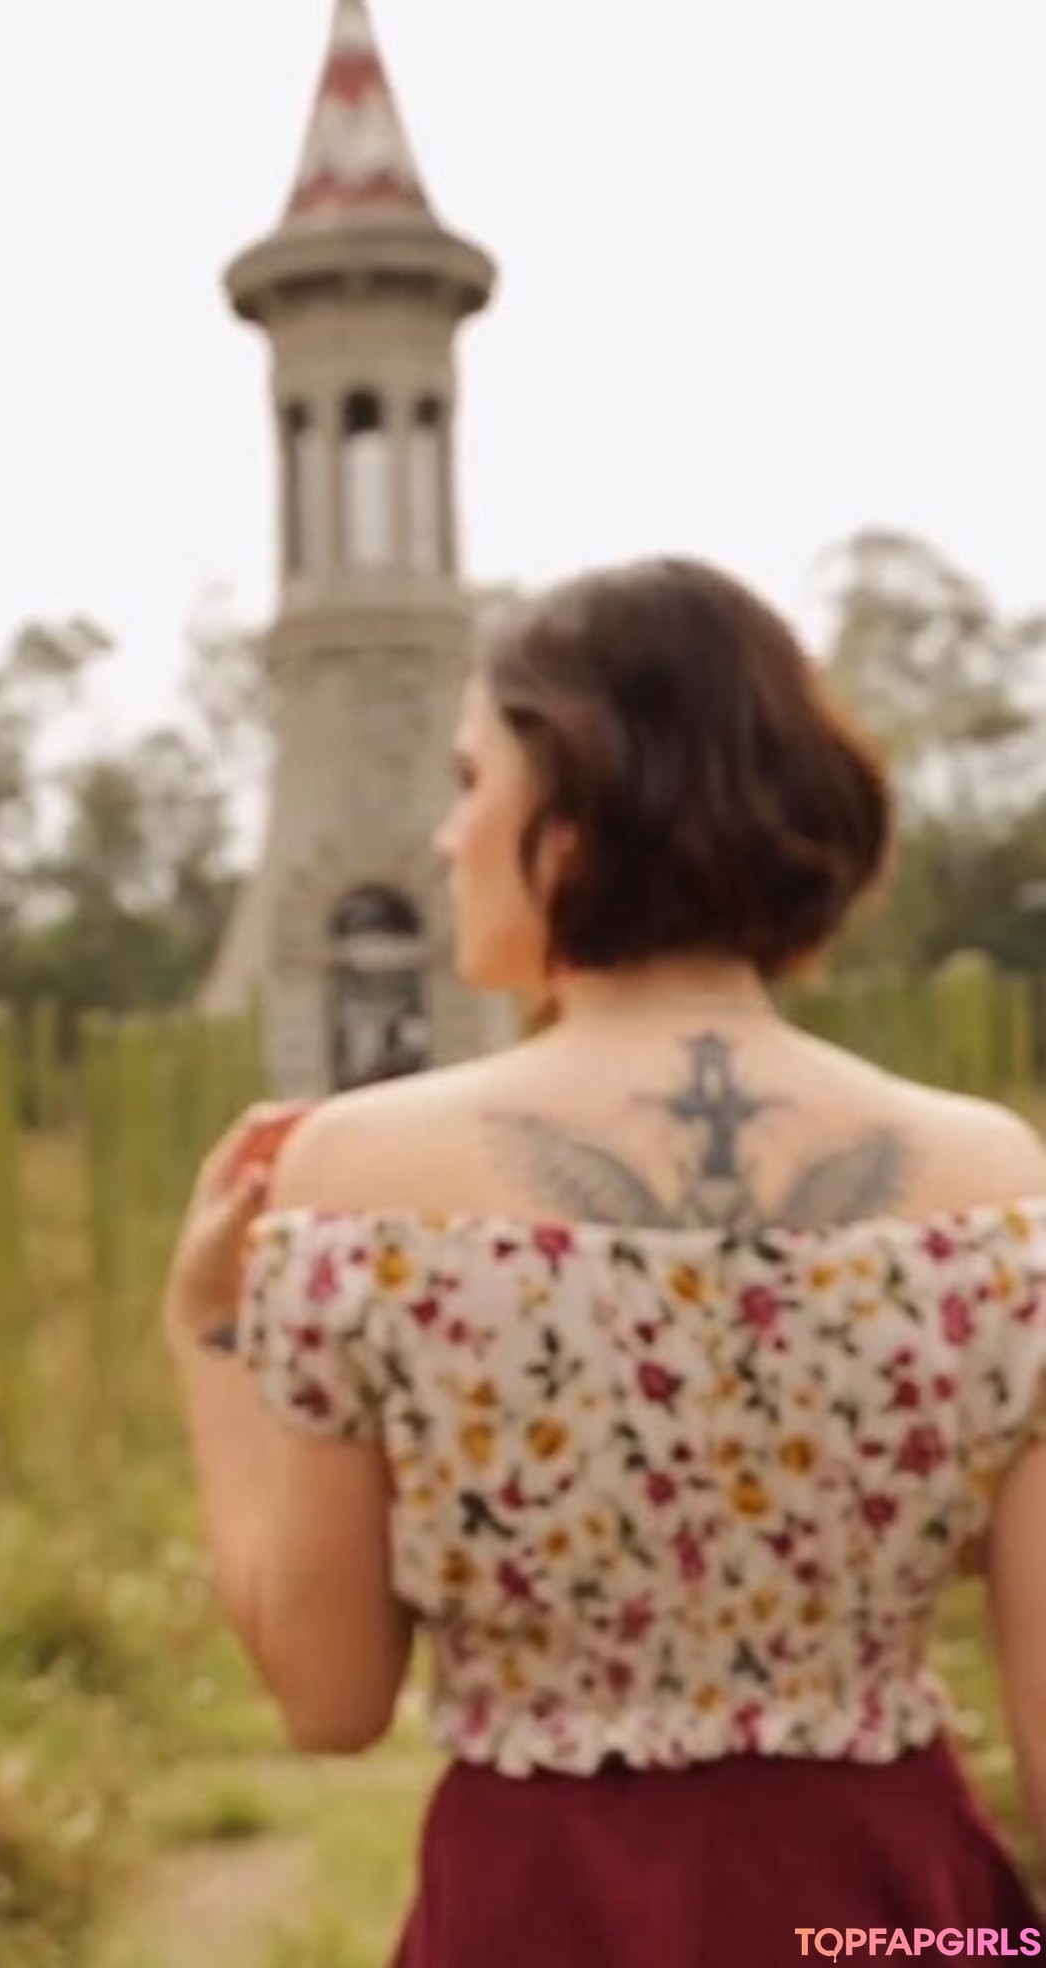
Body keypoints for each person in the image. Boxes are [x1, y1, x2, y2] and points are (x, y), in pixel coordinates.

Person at [164, 557, 1046, 1967]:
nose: (447, 836)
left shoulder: (359, 1184)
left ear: (573, 816)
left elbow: (330, 1702)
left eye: (473, 782)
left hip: (540, 1912)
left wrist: (208, 1337)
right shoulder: (997, 1191)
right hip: (889, 1913)